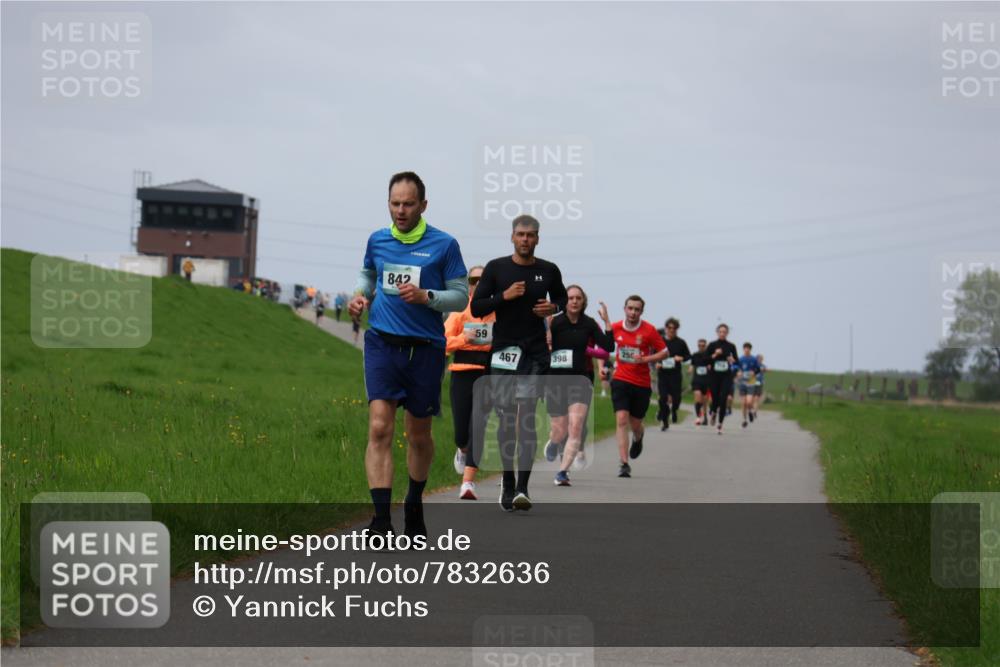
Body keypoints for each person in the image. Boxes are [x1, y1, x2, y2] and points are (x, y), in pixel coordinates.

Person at [347, 171, 468, 540]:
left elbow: (460, 296)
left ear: (423, 205)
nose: (401, 210)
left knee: (418, 435)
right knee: (379, 428)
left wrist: (427, 297)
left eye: (408, 204)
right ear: (388, 203)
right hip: (382, 343)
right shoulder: (378, 239)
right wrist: (360, 296)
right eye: (395, 203)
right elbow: (369, 274)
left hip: (425, 349)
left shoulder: (444, 245)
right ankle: (381, 520)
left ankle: (414, 504)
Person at [471, 215, 567, 512]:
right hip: (504, 351)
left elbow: (562, 299)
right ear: (512, 237)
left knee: (526, 416)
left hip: (535, 352)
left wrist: (553, 307)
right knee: (507, 418)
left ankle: (523, 489)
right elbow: (477, 307)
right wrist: (505, 295)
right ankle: (508, 481)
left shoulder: (548, 270)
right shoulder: (497, 268)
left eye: (531, 235)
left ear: (538, 239)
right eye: (521, 235)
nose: (525, 240)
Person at [545, 287, 614, 486]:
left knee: (575, 427)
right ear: (565, 301)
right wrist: (546, 331)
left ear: (583, 302)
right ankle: (555, 441)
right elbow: (540, 344)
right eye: (570, 298)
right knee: (559, 430)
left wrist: (606, 321)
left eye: (578, 298)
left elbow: (608, 346)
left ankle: (562, 472)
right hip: (556, 381)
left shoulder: (589, 324)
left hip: (579, 380)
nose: (574, 301)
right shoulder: (555, 321)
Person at [443, 265, 495, 500]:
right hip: (462, 373)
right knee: (461, 432)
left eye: (483, 280)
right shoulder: (459, 311)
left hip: (488, 374)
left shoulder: (498, 313)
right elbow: (442, 344)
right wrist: (465, 338)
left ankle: (468, 482)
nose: (478, 283)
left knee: (479, 427)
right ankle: (461, 448)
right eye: (474, 279)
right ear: (468, 284)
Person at [609, 295, 669, 478]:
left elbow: (665, 353)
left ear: (641, 312)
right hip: (620, 380)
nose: (633, 312)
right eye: (630, 308)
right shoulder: (616, 327)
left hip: (641, 383)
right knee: (621, 420)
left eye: (637, 309)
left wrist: (645, 359)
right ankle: (624, 463)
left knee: (635, 424)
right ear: (624, 309)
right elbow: (604, 348)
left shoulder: (649, 330)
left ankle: (639, 437)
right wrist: (605, 367)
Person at [655, 317, 691, 431]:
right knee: (663, 398)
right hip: (663, 374)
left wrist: (681, 358)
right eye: (669, 328)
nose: (672, 330)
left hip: (675, 375)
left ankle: (674, 410)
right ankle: (665, 421)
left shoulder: (681, 342)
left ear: (677, 329)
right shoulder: (660, 341)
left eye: (674, 328)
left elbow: (688, 356)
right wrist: (657, 363)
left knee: (676, 398)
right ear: (666, 328)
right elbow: (653, 355)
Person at [706, 324, 739, 435]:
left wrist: (732, 360)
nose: (722, 333)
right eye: (720, 331)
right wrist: (715, 354)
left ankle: (720, 424)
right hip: (714, 376)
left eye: (724, 332)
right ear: (717, 332)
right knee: (715, 398)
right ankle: (714, 411)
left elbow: (737, 362)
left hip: (726, 376)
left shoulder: (731, 346)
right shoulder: (712, 345)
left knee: (723, 398)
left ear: (727, 333)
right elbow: (705, 360)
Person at [737, 342, 762, 428]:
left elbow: (758, 369)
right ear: (743, 349)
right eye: (745, 348)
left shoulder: (754, 359)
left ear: (750, 350)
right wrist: (738, 372)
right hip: (742, 383)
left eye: (748, 348)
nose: (746, 350)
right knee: (743, 403)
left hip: (751, 382)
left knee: (749, 402)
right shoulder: (740, 359)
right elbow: (736, 368)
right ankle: (744, 420)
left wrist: (753, 372)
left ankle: (750, 411)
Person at [689, 339, 711, 425]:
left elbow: (712, 364)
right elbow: (692, 364)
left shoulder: (709, 355)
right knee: (698, 397)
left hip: (706, 381)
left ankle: (705, 417)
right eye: (699, 345)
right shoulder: (695, 355)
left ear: (705, 346)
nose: (701, 347)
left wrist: (710, 367)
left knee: (704, 401)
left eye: (703, 345)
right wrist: (690, 369)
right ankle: (698, 417)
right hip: (697, 380)